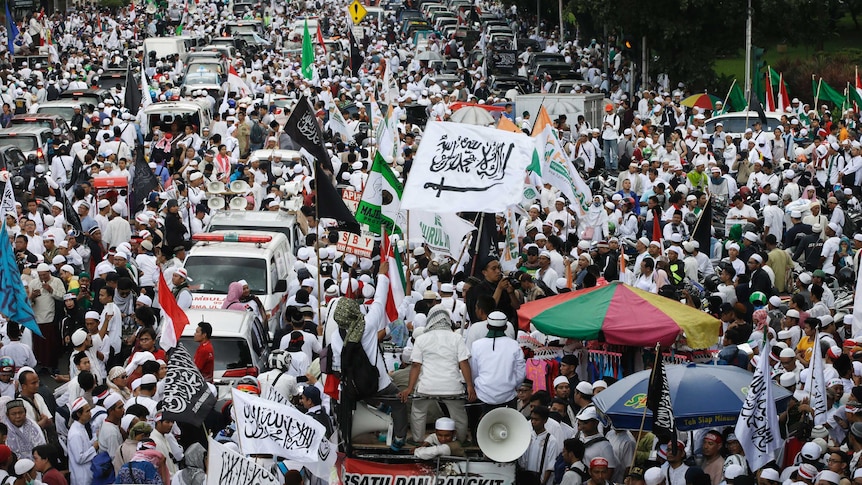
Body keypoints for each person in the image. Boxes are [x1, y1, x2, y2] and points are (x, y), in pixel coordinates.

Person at [399, 304, 473, 445]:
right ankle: (462, 440)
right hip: (452, 386)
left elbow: (415, 365)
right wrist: (469, 386)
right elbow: (464, 363)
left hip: (427, 386)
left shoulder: (421, 339)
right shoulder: (456, 338)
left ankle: (418, 439)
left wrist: (409, 388)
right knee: (459, 415)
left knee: (418, 412)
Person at [519, 405, 560, 485]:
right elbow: (522, 462)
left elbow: (550, 467)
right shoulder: (527, 437)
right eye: (532, 419)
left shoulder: (551, 441)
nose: (533, 422)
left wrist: (543, 482)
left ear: (545, 420)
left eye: (536, 419)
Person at [67, 397, 99, 485]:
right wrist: (94, 448)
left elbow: (86, 446)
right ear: (78, 414)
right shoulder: (75, 433)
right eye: (87, 411)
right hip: (81, 477)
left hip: (87, 473)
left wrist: (96, 438)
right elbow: (79, 458)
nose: (90, 413)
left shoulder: (81, 427)